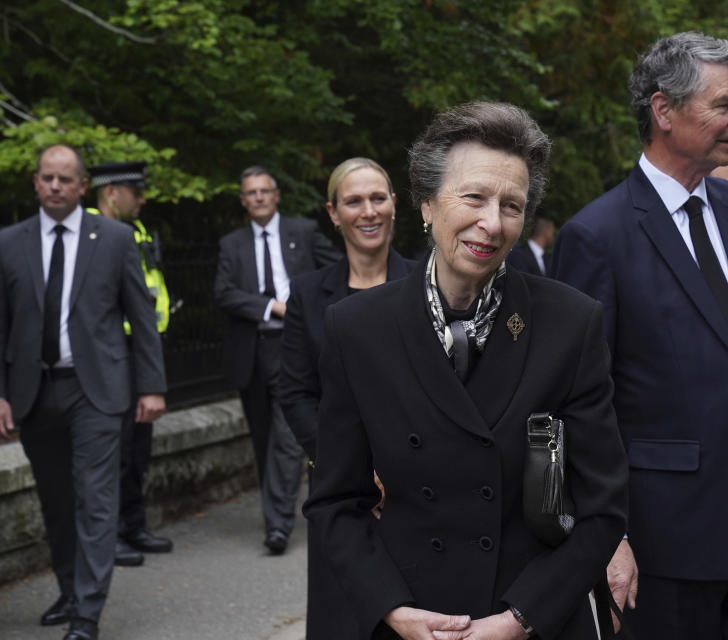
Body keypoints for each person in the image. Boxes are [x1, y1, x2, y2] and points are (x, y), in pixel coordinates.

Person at [303, 101, 628, 639]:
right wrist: (393, 610)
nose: (492, 223)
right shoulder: (357, 329)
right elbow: (337, 501)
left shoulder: (571, 324)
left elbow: (602, 507)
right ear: (427, 203)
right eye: (474, 197)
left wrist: (519, 619)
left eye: (513, 205)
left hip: (531, 617)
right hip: (410, 619)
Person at [550, 32, 728, 638]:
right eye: (724, 104)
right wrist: (609, 536)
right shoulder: (596, 236)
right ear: (663, 110)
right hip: (662, 543)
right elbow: (579, 402)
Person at [0, 145, 167, 640]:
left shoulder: (114, 239)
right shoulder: (10, 242)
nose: (54, 186)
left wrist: (152, 386)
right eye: (46, 178)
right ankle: (70, 592)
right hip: (35, 391)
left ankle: (86, 615)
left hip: (97, 391)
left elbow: (141, 315)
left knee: (96, 500)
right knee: (56, 501)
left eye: (64, 179)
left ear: (81, 186)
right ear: (35, 183)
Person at [279, 157, 414, 639]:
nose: (368, 211)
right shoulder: (309, 294)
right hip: (341, 492)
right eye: (353, 201)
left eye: (378, 198)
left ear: (395, 205)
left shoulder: (427, 285)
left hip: (416, 490)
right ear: (334, 214)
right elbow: (295, 392)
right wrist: (351, 472)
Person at [213, 166, 339, 555]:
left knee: (287, 437)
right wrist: (271, 306)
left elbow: (338, 266)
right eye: (251, 193)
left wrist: (306, 309)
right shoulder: (231, 244)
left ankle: (278, 525)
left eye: (264, 191)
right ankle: (278, 509)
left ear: (277, 194)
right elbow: (224, 292)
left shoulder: (301, 232)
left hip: (294, 348)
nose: (259, 198)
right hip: (253, 349)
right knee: (263, 435)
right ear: (243, 200)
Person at [87, 161, 173, 568]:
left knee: (138, 447)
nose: (142, 199)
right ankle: (114, 532)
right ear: (111, 193)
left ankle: (133, 525)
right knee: (115, 449)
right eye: (134, 192)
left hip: (141, 346)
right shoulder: (90, 231)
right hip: (108, 352)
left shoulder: (133, 231)